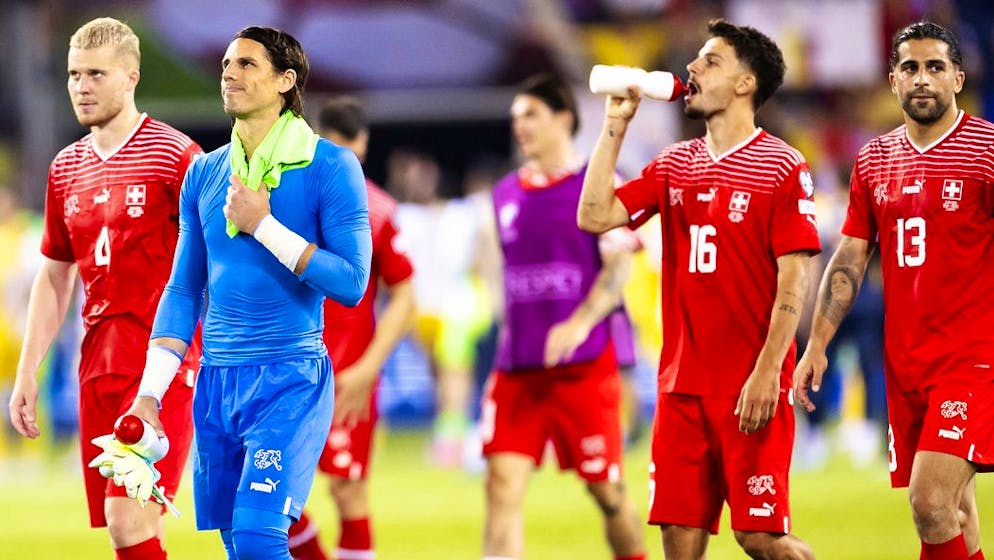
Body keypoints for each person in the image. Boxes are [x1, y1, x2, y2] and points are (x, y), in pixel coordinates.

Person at [124, 27, 371, 560]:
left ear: (286, 81)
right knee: (239, 544)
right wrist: (150, 393)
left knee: (261, 539)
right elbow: (184, 289)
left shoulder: (329, 166)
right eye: (226, 64)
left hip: (290, 379)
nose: (229, 73)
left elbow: (353, 283)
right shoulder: (205, 174)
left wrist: (265, 226)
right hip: (216, 384)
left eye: (246, 64)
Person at [579, 19, 820, 560]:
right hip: (680, 387)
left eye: (710, 61)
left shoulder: (782, 166)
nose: (692, 67)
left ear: (744, 84)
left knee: (759, 536)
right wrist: (613, 126)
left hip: (748, 384)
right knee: (678, 541)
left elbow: (795, 280)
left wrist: (767, 372)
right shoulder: (673, 164)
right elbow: (595, 215)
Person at [795, 21, 993, 560]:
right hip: (906, 363)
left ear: (957, 76)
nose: (922, 78)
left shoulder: (986, 150)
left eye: (934, 67)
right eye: (910, 68)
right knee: (956, 516)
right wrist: (816, 343)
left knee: (928, 503)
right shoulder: (873, 160)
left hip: (972, 361)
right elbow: (852, 257)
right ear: (892, 81)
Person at [6, 18, 201, 560]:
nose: (81, 86)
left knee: (127, 518)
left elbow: (218, 261)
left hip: (162, 366)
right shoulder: (65, 167)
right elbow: (55, 274)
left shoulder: (176, 156)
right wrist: (28, 372)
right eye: (73, 74)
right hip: (98, 365)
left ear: (131, 77)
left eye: (96, 74)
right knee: (139, 530)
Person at [482, 73, 645, 560]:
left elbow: (619, 268)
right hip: (518, 370)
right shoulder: (504, 194)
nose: (520, 126)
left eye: (530, 114)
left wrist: (577, 324)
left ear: (564, 120)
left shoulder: (597, 184)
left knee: (607, 492)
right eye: (514, 118)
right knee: (501, 485)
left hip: (584, 368)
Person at [287, 97, 415, 560]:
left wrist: (368, 369)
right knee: (264, 490)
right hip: (288, 371)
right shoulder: (288, 201)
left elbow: (406, 295)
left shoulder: (377, 211)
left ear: (361, 147)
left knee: (347, 491)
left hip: (345, 378)